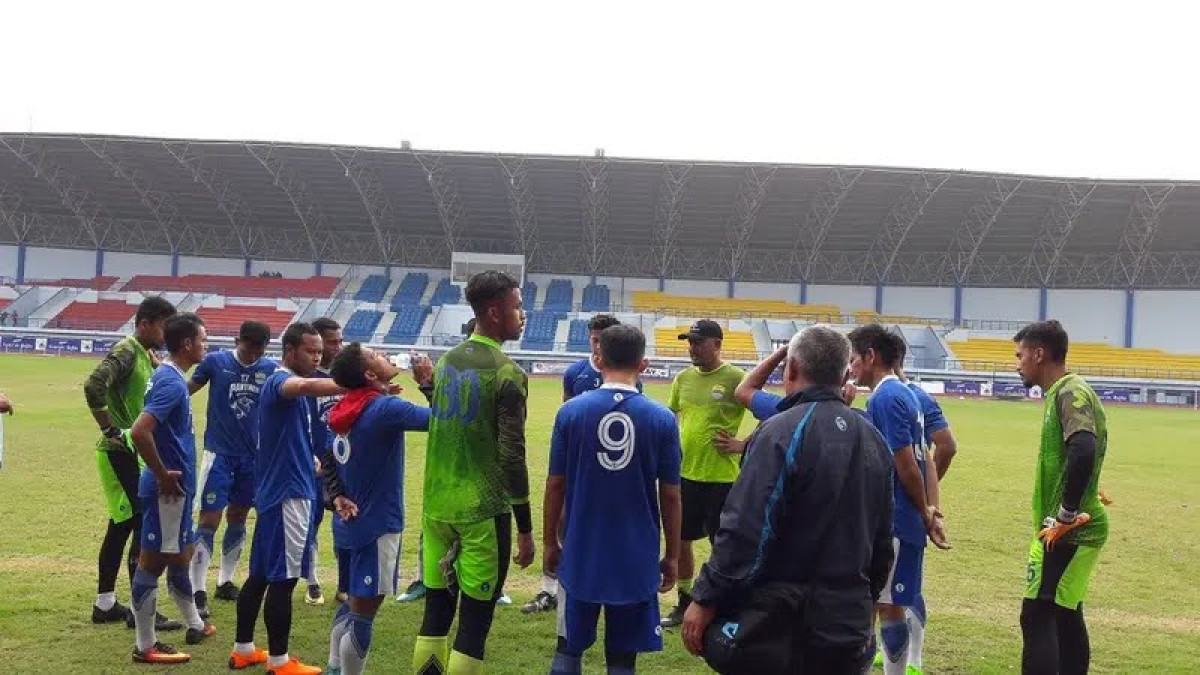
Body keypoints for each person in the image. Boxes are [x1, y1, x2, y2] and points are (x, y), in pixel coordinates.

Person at [681, 326, 895, 672]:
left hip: (782, 624)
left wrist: (706, 597)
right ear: (844, 375)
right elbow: (883, 540)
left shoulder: (780, 431)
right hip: (846, 622)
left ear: (791, 369)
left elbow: (746, 527)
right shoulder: (873, 439)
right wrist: (865, 603)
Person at [413, 270, 535, 674]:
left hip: (436, 509)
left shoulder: (446, 362)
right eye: (518, 306)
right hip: (483, 512)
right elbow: (512, 456)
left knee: (434, 616)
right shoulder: (507, 372)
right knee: (474, 624)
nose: (523, 314)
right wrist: (524, 526)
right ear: (496, 312)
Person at [543, 324, 682, 674]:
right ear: (644, 364)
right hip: (636, 552)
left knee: (568, 649)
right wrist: (673, 556)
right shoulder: (662, 419)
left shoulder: (571, 412)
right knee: (622, 657)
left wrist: (549, 542)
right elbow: (671, 496)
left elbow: (555, 485)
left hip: (581, 546)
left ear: (598, 358)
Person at [229, 323, 345, 675]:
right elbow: (305, 385)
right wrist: (357, 385)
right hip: (288, 497)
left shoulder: (291, 391)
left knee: (261, 576)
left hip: (277, 492)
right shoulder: (282, 380)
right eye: (311, 351)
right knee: (285, 579)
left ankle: (244, 648)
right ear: (291, 350)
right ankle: (280, 662)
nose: (317, 356)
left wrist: (307, 459)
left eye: (320, 351)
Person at [523, 313, 643, 616]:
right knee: (562, 518)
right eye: (594, 339)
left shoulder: (630, 378)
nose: (598, 345)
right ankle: (550, 589)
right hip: (576, 462)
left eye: (603, 339)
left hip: (612, 464)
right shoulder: (575, 373)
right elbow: (566, 411)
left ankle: (603, 586)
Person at [323, 343, 433, 675]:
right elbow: (444, 420)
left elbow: (329, 457)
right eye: (377, 356)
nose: (386, 356)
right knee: (364, 610)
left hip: (349, 524)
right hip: (377, 523)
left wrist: (337, 493)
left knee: (355, 600)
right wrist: (427, 383)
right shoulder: (385, 409)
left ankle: (333, 667)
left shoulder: (345, 406)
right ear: (370, 374)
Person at [847, 324, 949, 675]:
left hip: (896, 519)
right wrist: (930, 510)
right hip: (901, 518)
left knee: (889, 607)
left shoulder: (885, 397)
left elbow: (906, 463)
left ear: (871, 356)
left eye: (854, 359)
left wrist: (923, 512)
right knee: (889, 602)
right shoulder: (907, 394)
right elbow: (927, 457)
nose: (851, 368)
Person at [1013, 320, 1108, 675]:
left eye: (1020, 355)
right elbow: (1083, 454)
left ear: (1040, 354)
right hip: (1081, 523)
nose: (1017, 363)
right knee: (1066, 612)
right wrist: (1088, 487)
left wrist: (1066, 514)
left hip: (1068, 529)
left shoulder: (1070, 390)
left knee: (1037, 613)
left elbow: (1084, 447)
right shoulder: (1068, 392)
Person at [84, 295, 182, 631]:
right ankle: (140, 613)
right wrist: (110, 429)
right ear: (145, 324)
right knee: (141, 523)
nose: (167, 335)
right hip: (119, 450)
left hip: (125, 451)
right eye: (163, 327)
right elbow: (94, 384)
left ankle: (106, 604)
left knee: (122, 523)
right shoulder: (127, 350)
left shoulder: (142, 354)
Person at [127, 313, 215, 664]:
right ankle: (145, 645)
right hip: (168, 489)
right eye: (203, 339)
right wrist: (162, 474)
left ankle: (194, 621)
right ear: (187, 344)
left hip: (176, 488)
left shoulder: (172, 377)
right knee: (152, 563)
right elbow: (139, 430)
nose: (206, 345)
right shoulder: (171, 382)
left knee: (182, 553)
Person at [660, 319, 747, 629]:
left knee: (722, 545)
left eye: (698, 342)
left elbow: (774, 416)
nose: (692, 348)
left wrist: (742, 444)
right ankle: (684, 601)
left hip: (722, 479)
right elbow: (671, 418)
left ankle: (721, 605)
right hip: (685, 475)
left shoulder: (737, 378)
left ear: (718, 345)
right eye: (690, 342)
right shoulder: (682, 379)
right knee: (680, 540)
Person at [188, 321, 277, 618]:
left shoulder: (270, 369)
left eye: (259, 349)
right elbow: (185, 390)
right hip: (219, 455)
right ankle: (197, 589)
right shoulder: (217, 362)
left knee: (239, 516)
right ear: (237, 340)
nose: (253, 354)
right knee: (209, 520)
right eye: (249, 347)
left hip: (253, 458)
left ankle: (225, 580)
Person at [307, 316, 344, 606]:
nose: (338, 347)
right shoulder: (305, 380)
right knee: (311, 524)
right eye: (333, 342)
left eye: (340, 341)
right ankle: (313, 581)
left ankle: (344, 584)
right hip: (314, 465)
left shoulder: (347, 376)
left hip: (343, 464)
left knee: (345, 520)